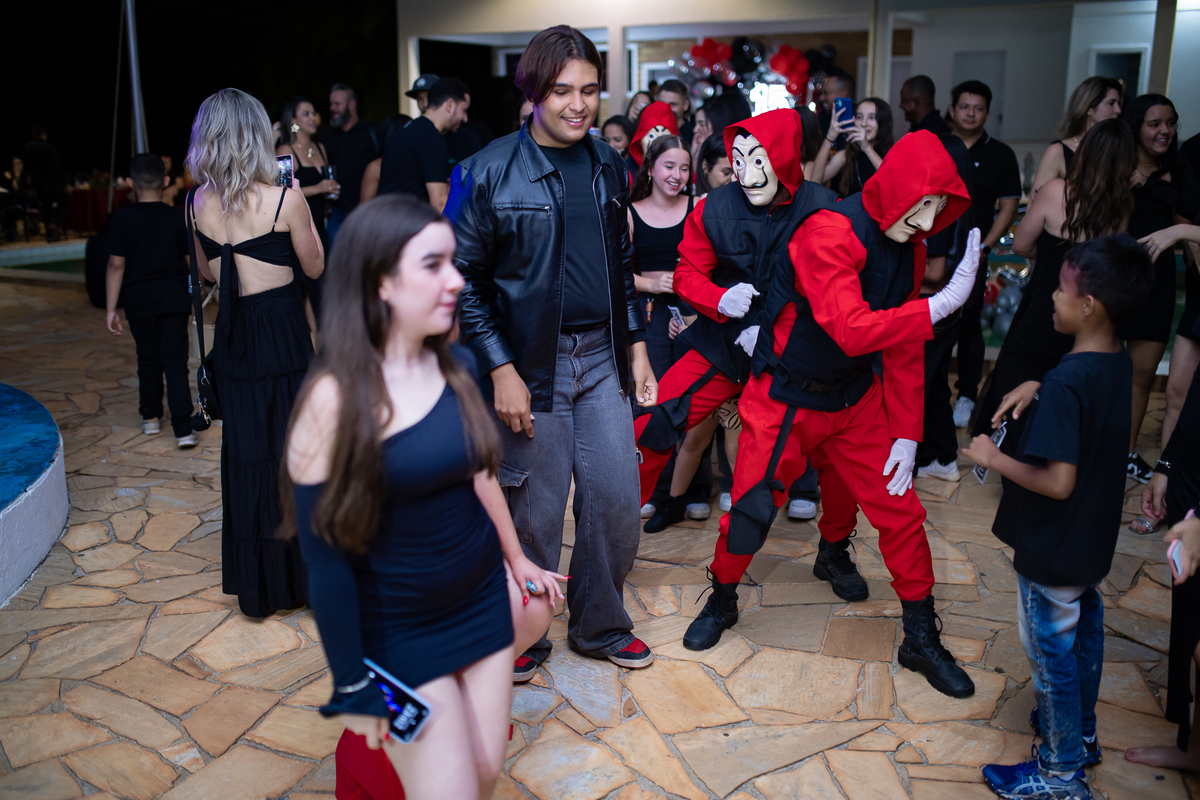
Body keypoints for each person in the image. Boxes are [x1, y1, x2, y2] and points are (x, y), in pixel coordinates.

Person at [283, 194, 560, 800]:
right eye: (433, 265)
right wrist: (351, 681)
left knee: (484, 771)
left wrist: (515, 559)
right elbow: (325, 566)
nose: (456, 280)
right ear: (381, 282)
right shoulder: (331, 401)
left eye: (453, 263)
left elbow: (479, 476)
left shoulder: (456, 364)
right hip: (397, 632)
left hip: (479, 603)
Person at [691, 131, 980, 702]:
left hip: (853, 399)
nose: (927, 222)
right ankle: (722, 596)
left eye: (937, 208)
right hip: (785, 397)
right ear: (895, 189)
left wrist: (907, 433)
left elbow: (901, 346)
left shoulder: (910, 247)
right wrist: (940, 305)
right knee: (750, 510)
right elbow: (849, 328)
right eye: (921, 204)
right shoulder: (828, 232)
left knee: (899, 510)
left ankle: (919, 635)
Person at [445, 25, 659, 681]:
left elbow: (620, 265)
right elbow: (461, 282)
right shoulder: (483, 171)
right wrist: (501, 368)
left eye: (589, 90)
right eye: (562, 90)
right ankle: (524, 628)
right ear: (534, 92)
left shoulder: (609, 165)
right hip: (528, 365)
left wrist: (638, 347)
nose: (578, 104)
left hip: (601, 357)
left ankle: (599, 624)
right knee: (533, 513)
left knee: (616, 500)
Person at [961, 234, 1155, 800]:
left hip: (1053, 545)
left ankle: (1060, 772)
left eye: (1061, 290)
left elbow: (1058, 481)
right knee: (1083, 633)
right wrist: (1038, 384)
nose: (1051, 296)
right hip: (1089, 539)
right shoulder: (1113, 360)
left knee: (1050, 654)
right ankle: (1080, 733)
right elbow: (1082, 395)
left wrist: (994, 458)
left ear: (1088, 305)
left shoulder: (1069, 381)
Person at [185, 88, 325, 617]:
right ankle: (304, 577)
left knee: (248, 456)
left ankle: (261, 586)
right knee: (297, 452)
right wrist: (297, 204)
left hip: (235, 338)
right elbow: (314, 266)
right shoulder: (284, 199)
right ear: (254, 135)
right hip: (283, 336)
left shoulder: (195, 203)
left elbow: (205, 272)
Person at [972, 120, 1136, 454]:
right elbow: (1109, 265)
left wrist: (1050, 253)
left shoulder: (1056, 190)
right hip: (1085, 321)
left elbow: (1021, 244)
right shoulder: (1121, 206)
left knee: (1014, 394)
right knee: (1065, 399)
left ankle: (1013, 466)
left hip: (1044, 313)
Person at [626, 134, 710, 531]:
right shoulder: (631, 213)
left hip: (695, 311)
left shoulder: (699, 207)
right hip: (650, 314)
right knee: (654, 399)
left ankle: (695, 489)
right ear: (650, 168)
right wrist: (650, 283)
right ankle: (654, 491)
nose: (677, 174)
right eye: (669, 166)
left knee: (696, 401)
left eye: (684, 168)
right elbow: (613, 272)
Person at [1118, 95, 1200, 485]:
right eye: (1154, 124)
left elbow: (1186, 220)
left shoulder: (1179, 165)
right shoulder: (1117, 160)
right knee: (1100, 368)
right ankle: (1093, 449)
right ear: (1136, 127)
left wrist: (1149, 184)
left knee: (1142, 374)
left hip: (1157, 280)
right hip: (1114, 275)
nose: (1164, 131)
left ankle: (1126, 453)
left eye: (1170, 123)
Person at [104, 153, 196, 448]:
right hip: (173, 298)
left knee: (147, 358)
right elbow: (191, 260)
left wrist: (110, 308)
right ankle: (183, 429)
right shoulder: (177, 216)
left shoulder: (122, 218)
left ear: (130, 183)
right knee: (175, 361)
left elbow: (116, 265)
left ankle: (151, 418)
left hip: (139, 300)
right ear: (166, 181)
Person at [945, 80, 1022, 429]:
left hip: (974, 252)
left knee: (969, 324)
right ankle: (932, 394)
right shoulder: (938, 146)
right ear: (952, 110)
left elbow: (1008, 207)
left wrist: (984, 247)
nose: (970, 113)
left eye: (978, 108)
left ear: (987, 113)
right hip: (935, 251)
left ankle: (966, 396)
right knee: (933, 325)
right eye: (964, 107)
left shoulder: (1000, 154)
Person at [278, 96, 340, 321]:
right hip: (295, 228)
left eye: (314, 113)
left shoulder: (319, 147)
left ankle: (325, 336)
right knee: (297, 288)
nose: (313, 118)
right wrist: (317, 188)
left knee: (322, 289)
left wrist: (331, 190)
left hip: (318, 225)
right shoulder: (285, 150)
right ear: (293, 120)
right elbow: (281, 193)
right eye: (306, 114)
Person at [377, 78, 469, 212]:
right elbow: (439, 204)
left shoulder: (408, 130)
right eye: (464, 110)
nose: (465, 118)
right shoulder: (430, 137)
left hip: (391, 218)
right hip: (407, 221)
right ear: (450, 105)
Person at [1032, 77, 1123, 195]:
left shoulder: (1117, 149)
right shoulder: (1058, 151)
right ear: (1089, 108)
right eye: (1111, 103)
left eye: (1118, 104)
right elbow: (1035, 203)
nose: (1118, 110)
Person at [325, 83, 381, 246]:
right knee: (337, 259)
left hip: (366, 212)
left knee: (365, 258)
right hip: (336, 213)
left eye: (337, 104)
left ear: (351, 104)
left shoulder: (372, 132)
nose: (332, 108)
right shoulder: (327, 136)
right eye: (331, 104)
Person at [811, 97, 894, 197]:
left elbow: (893, 183)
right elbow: (815, 181)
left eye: (871, 117)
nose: (863, 123)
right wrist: (830, 137)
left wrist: (867, 148)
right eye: (859, 117)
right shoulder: (846, 154)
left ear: (883, 123)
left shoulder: (892, 154)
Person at [22, 124, 68, 239]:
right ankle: (54, 223)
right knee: (64, 203)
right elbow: (57, 166)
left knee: (46, 208)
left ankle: (50, 233)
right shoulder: (48, 147)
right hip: (53, 183)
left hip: (38, 184)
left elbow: (27, 167)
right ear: (44, 134)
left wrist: (28, 184)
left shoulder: (28, 147)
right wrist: (65, 183)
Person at [628, 101, 680, 171]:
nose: (658, 143)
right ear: (640, 139)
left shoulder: (681, 173)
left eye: (666, 137)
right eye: (651, 136)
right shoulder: (624, 171)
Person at [656, 79, 693, 144]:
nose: (666, 108)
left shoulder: (693, 136)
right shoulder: (649, 133)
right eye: (662, 104)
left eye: (672, 104)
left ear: (685, 105)